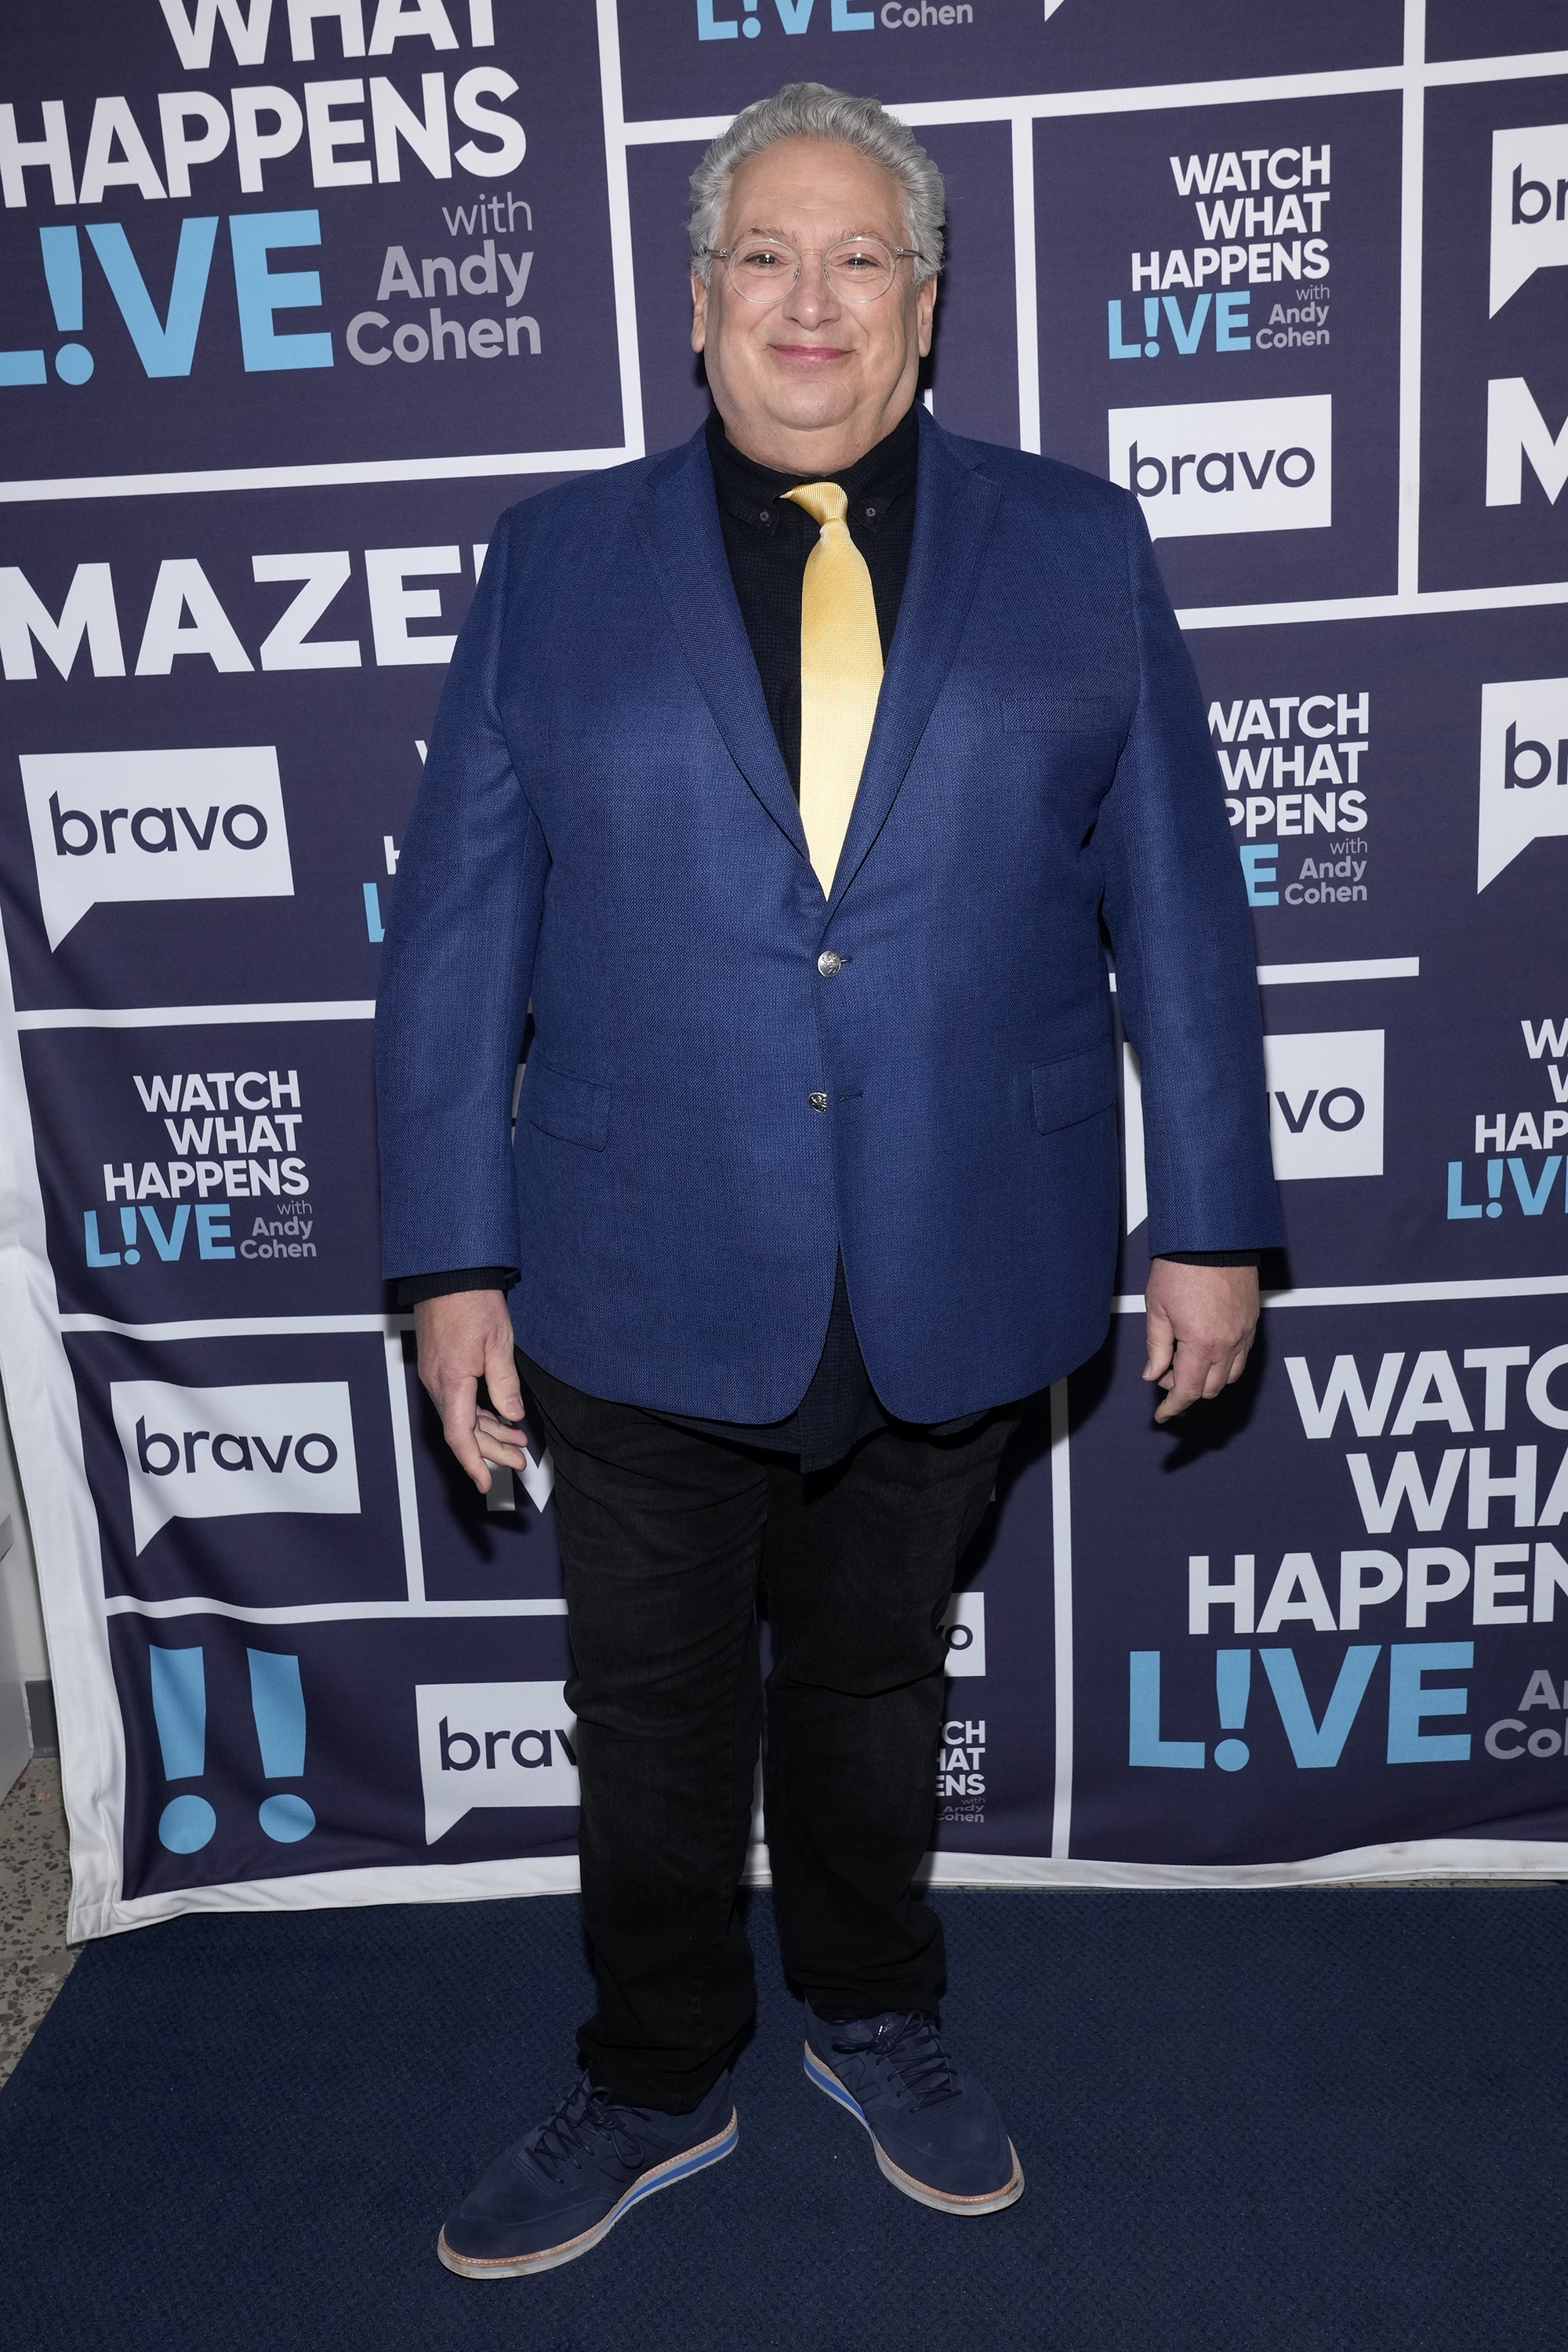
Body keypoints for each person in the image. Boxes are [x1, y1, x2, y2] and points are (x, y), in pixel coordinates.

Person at [376, 81, 1282, 2279]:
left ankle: (878, 2014)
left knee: (875, 1695)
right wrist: (446, 1260)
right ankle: (654, 2074)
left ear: (927, 309)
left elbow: (1179, 902)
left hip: (973, 1253)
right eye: (763, 259)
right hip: (630, 1260)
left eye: (856, 258)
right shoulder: (551, 559)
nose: (809, 301)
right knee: (654, 1716)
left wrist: (1218, 1222)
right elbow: (458, 932)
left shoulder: (1081, 546)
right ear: (697, 311)